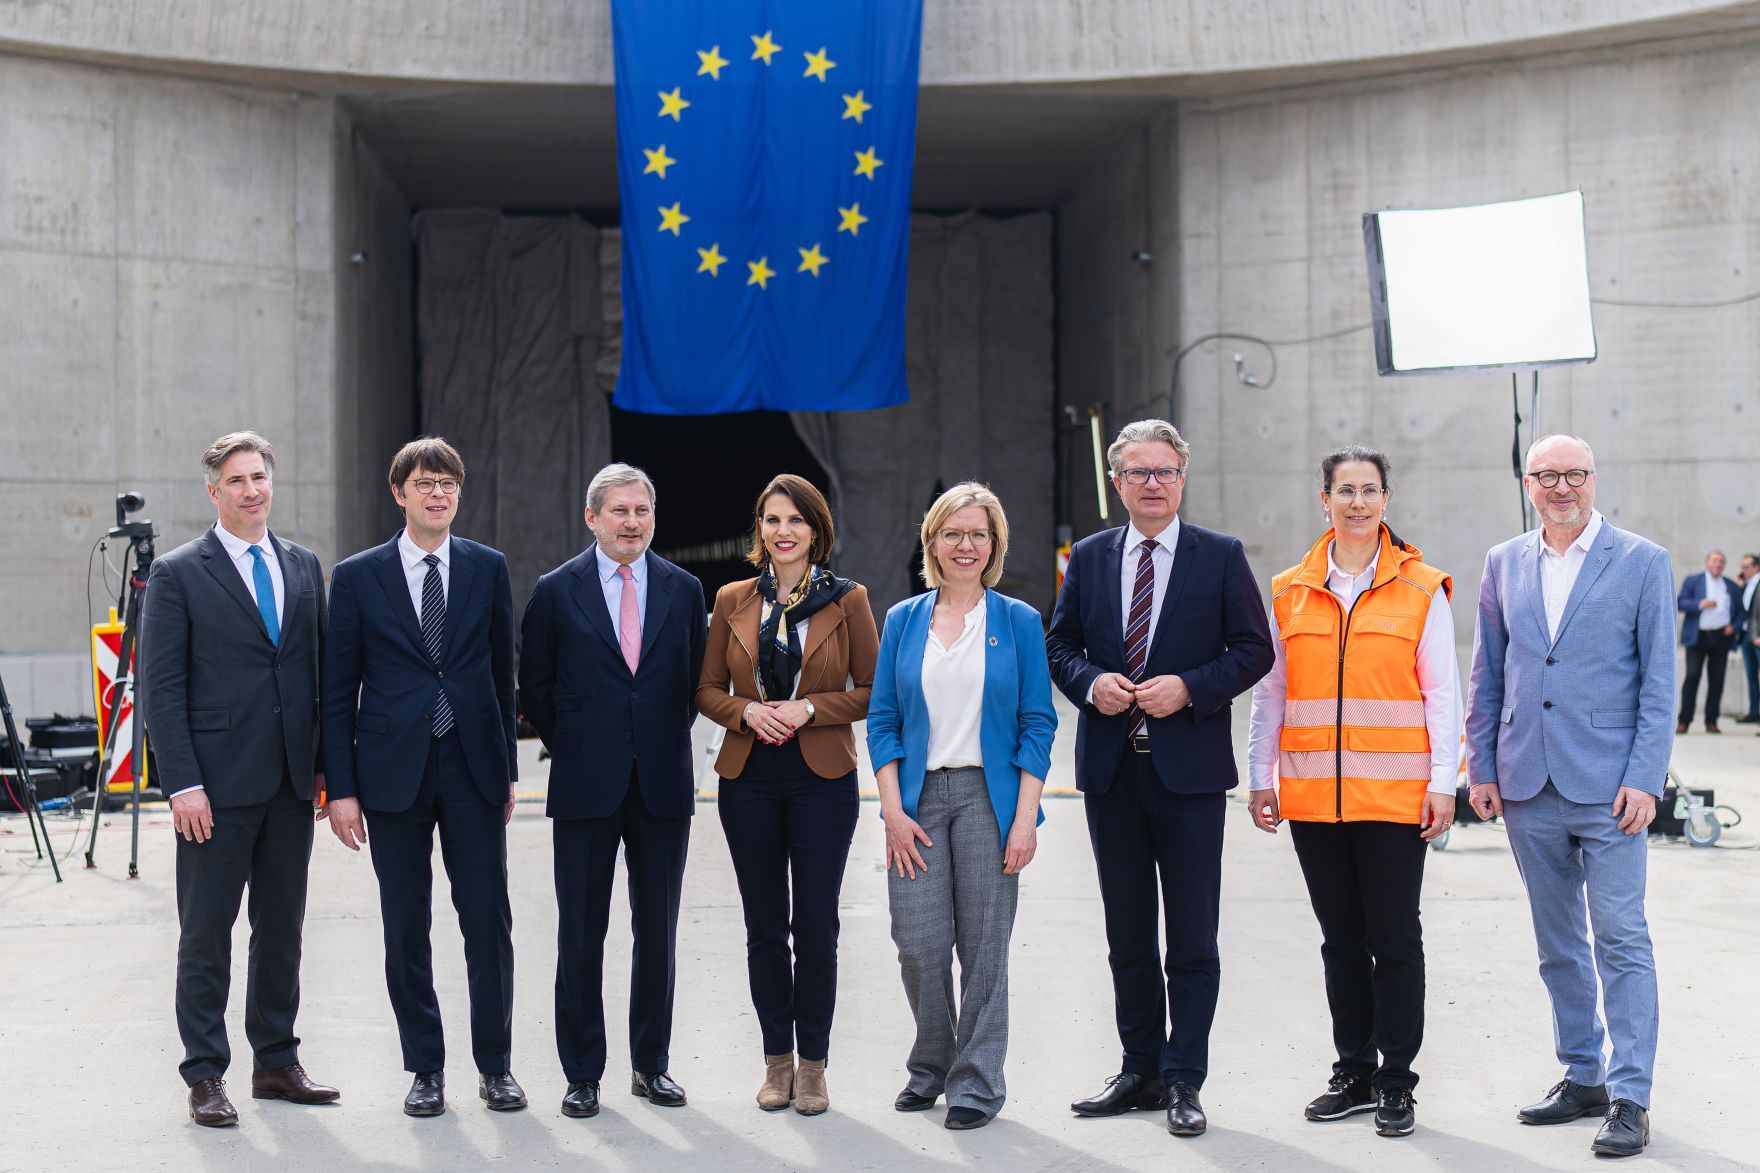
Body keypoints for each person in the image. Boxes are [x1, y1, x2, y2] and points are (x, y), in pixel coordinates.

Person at [1047, 418, 1273, 1138]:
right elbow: (1060, 644)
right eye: (1137, 472)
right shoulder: (1087, 556)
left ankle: (1184, 1077)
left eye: (1164, 471)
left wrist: (1191, 687)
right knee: (1128, 933)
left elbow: (1252, 650)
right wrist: (1088, 682)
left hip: (1191, 776)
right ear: (1116, 484)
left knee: (1193, 937)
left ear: (1182, 478)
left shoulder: (1220, 556)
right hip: (1113, 774)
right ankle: (1138, 1067)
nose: (1152, 483)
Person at [1464, 434, 1673, 1158]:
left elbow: (1659, 683)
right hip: (1527, 781)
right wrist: (1480, 764)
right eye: (1547, 475)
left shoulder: (1643, 560)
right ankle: (1581, 1072)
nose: (1562, 486)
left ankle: (1629, 1094)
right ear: (1527, 483)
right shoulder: (1504, 561)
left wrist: (1646, 776)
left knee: (1620, 936)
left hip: (1613, 787)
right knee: (1558, 944)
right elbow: (1488, 669)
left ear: (1593, 478)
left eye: (1574, 474)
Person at [1245, 445, 1459, 1139]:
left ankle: (1397, 1079)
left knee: (1394, 939)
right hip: (1312, 800)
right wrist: (1259, 778)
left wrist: (1442, 785)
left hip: (1396, 801)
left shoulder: (1422, 587)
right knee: (1340, 941)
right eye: (1346, 490)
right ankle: (1353, 1071)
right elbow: (1270, 693)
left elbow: (1443, 696)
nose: (1358, 501)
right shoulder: (1288, 589)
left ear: (1386, 499)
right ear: (1324, 499)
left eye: (1370, 489)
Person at [138, 431, 338, 1126]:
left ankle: (276, 1060)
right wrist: (181, 781)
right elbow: (159, 688)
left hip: (288, 781)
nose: (252, 489)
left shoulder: (305, 565)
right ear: (213, 490)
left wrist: (324, 766)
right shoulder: (178, 573)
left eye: (260, 476)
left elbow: (319, 674)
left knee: (281, 929)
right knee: (207, 934)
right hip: (214, 791)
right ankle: (205, 1072)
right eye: (237, 479)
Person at [320, 438, 523, 1117]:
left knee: (486, 920)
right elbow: (337, 687)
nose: (439, 494)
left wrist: (508, 771)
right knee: (406, 922)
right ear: (399, 492)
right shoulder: (357, 576)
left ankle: (495, 1065)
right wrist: (340, 787)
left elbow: (503, 674)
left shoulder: (487, 568)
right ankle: (425, 1067)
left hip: (471, 766)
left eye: (449, 484)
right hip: (390, 771)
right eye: (426, 483)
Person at [518, 463, 707, 1120]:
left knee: (656, 932)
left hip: (661, 784)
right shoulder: (554, 591)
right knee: (581, 932)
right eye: (620, 511)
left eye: (642, 511)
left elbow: (692, 683)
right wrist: (575, 741)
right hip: (583, 783)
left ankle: (650, 1064)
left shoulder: (684, 590)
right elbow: (535, 686)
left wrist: (647, 738)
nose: (632, 522)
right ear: (592, 517)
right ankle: (582, 1072)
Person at [867, 483, 1056, 1132]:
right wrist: (892, 809)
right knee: (918, 943)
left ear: (994, 544)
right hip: (916, 800)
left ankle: (975, 1082)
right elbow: (884, 720)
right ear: (933, 543)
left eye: (978, 534)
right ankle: (932, 1062)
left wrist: (1026, 815)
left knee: (983, 950)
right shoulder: (902, 620)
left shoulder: (1019, 622)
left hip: (989, 798)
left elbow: (1039, 723)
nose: (966, 545)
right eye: (953, 533)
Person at [695, 475, 878, 1116]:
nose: (783, 531)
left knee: (817, 926)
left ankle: (815, 1066)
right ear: (760, 530)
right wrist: (747, 713)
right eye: (772, 519)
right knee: (764, 926)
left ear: (816, 529)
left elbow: (872, 690)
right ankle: (776, 1061)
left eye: (796, 520)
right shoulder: (731, 599)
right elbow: (707, 688)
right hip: (747, 778)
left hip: (822, 778)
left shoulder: (848, 599)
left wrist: (808, 708)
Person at [1675, 549, 1740, 733]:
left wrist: (1733, 627)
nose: (1717, 565)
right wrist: (1700, 604)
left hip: (1721, 638)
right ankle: (1684, 721)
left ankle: (1712, 721)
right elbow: (1680, 602)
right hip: (1698, 637)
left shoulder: (1730, 585)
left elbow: (1741, 612)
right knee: (1692, 676)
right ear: (1707, 563)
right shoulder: (1693, 581)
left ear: (1723, 565)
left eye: (1720, 562)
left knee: (1717, 679)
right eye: (1714, 561)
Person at [1741, 553, 1760, 725]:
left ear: (1756, 567)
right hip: (1747, 637)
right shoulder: (1748, 584)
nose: (1743, 570)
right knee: (1752, 677)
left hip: (1757, 636)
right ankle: (1754, 713)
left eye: (1747, 567)